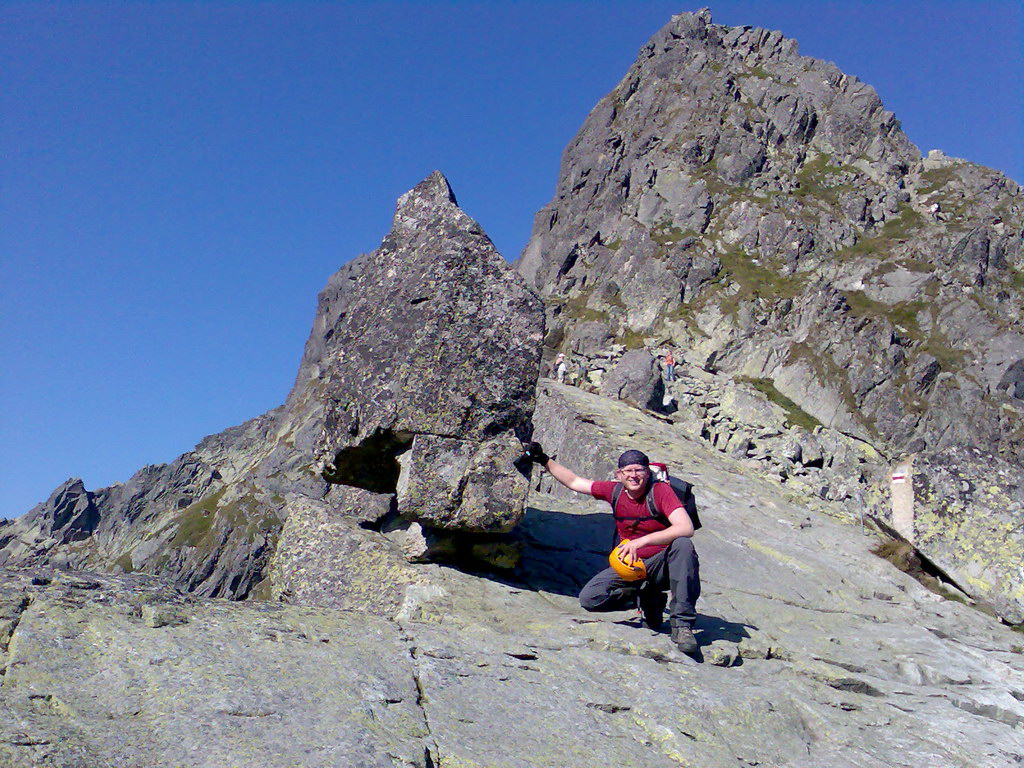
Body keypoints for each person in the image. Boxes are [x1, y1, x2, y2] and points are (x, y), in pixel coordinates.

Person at [525, 443, 701, 653]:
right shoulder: (614, 491)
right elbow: (574, 482)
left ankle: (682, 626)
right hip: (631, 565)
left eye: (639, 470)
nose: (634, 475)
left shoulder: (660, 491)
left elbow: (685, 527)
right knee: (590, 599)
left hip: (662, 563)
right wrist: (544, 460)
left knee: (683, 545)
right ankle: (646, 599)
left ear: (647, 472)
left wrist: (642, 541)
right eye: (628, 471)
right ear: (619, 474)